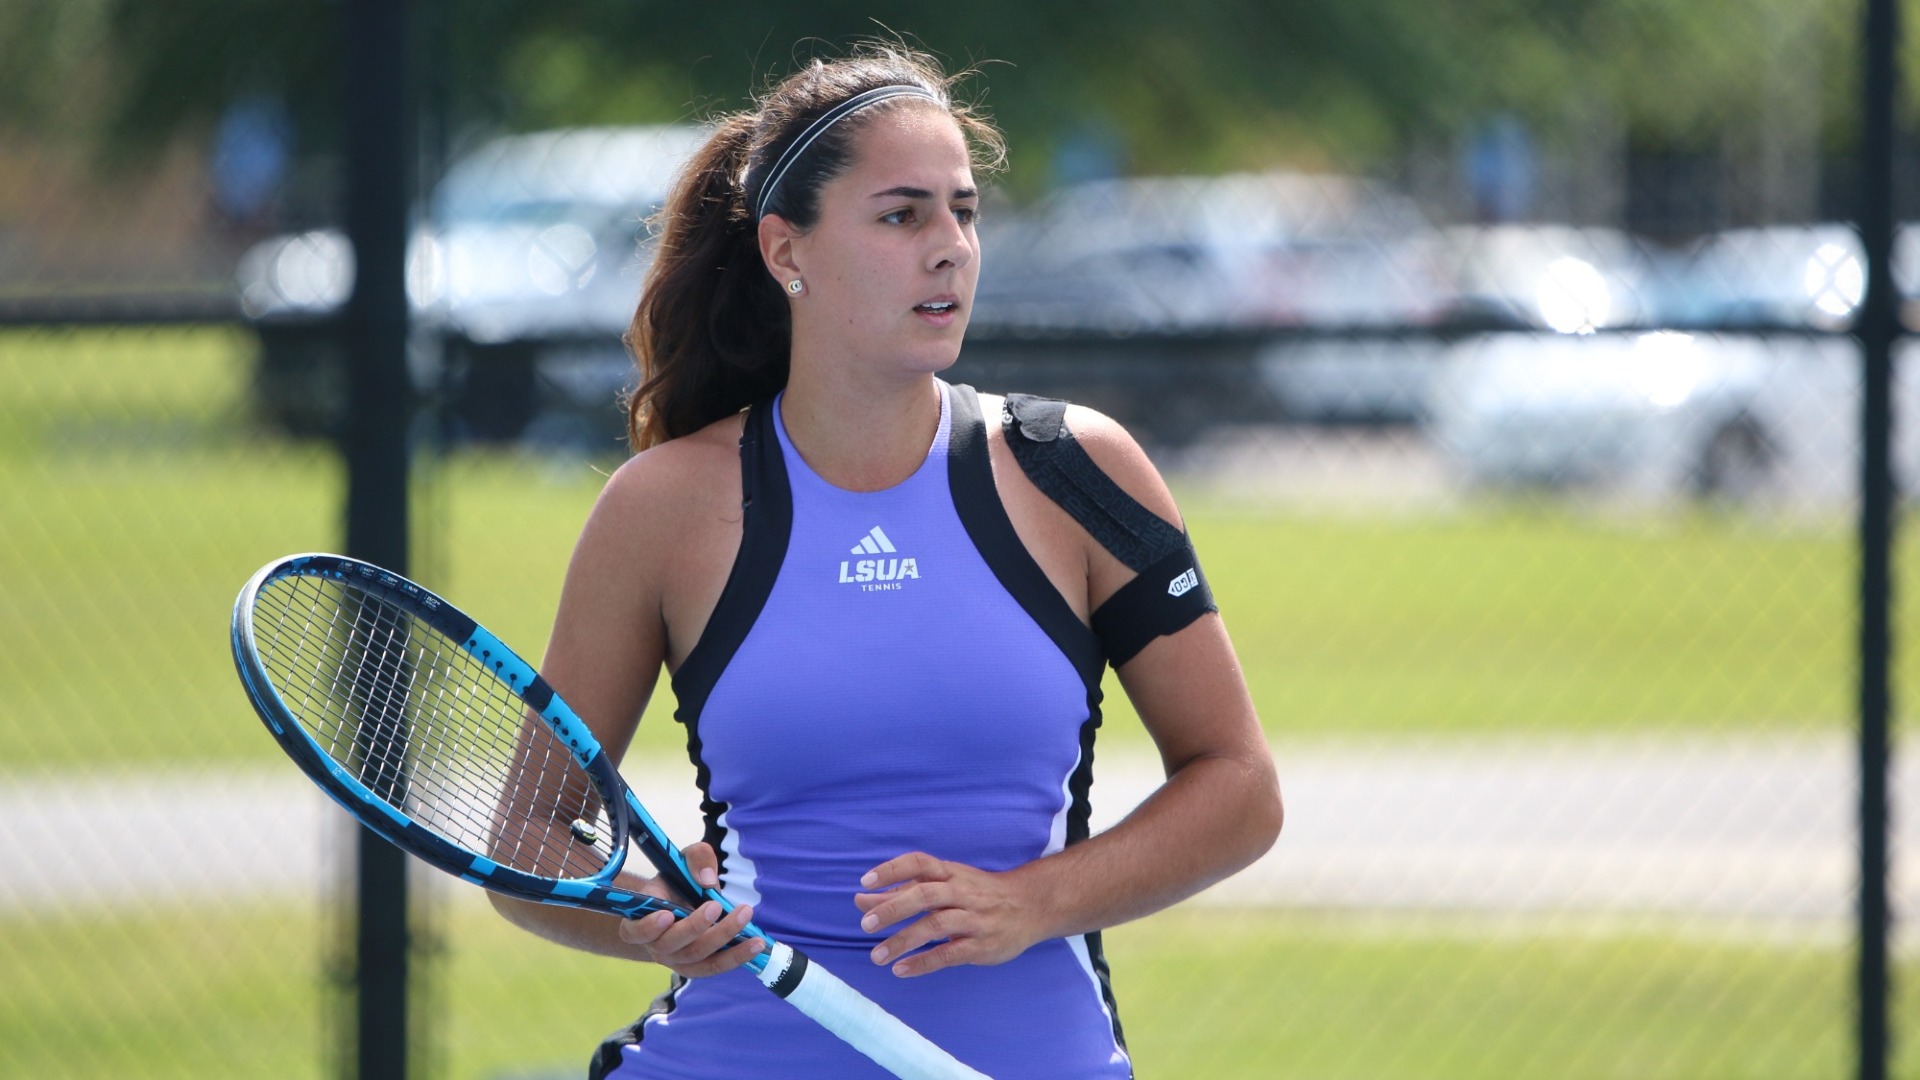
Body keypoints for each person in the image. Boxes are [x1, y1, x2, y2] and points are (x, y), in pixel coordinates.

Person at [489, 42, 1283, 1079]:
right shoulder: (662, 508)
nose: (949, 246)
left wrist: (1029, 903)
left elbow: (1241, 788)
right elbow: (525, 840)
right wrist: (641, 912)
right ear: (787, 252)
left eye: (964, 211)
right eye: (902, 215)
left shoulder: (1077, 472)